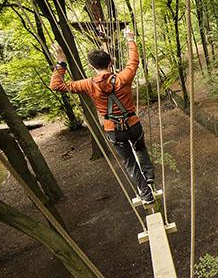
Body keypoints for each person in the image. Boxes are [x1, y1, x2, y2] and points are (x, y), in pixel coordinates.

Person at [50, 28, 156, 204]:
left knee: (129, 161)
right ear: (111, 62)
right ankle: (149, 177)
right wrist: (130, 40)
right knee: (140, 148)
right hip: (132, 124)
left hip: (114, 130)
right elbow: (133, 61)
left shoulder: (88, 84)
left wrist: (61, 63)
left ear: (92, 67)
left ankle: (146, 194)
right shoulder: (124, 77)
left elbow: (56, 85)